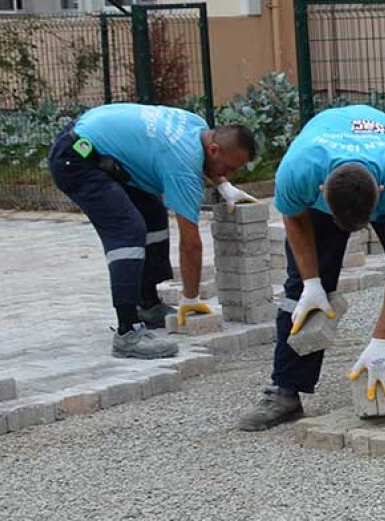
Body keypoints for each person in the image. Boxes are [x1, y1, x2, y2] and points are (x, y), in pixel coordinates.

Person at [237, 104, 385, 432]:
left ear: (380, 194)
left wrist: (382, 341)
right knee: (300, 292)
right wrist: (312, 283)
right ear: (321, 193)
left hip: (382, 154)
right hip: (324, 162)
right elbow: (295, 220)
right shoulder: (298, 169)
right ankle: (285, 389)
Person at [47, 103, 257, 359]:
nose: (230, 174)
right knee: (128, 230)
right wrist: (190, 299)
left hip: (97, 144)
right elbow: (190, 243)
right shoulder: (183, 165)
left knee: (153, 215)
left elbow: (205, 162)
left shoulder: (197, 126)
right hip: (77, 159)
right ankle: (127, 333)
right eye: (230, 168)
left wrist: (224, 185)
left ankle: (147, 304)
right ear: (213, 149)